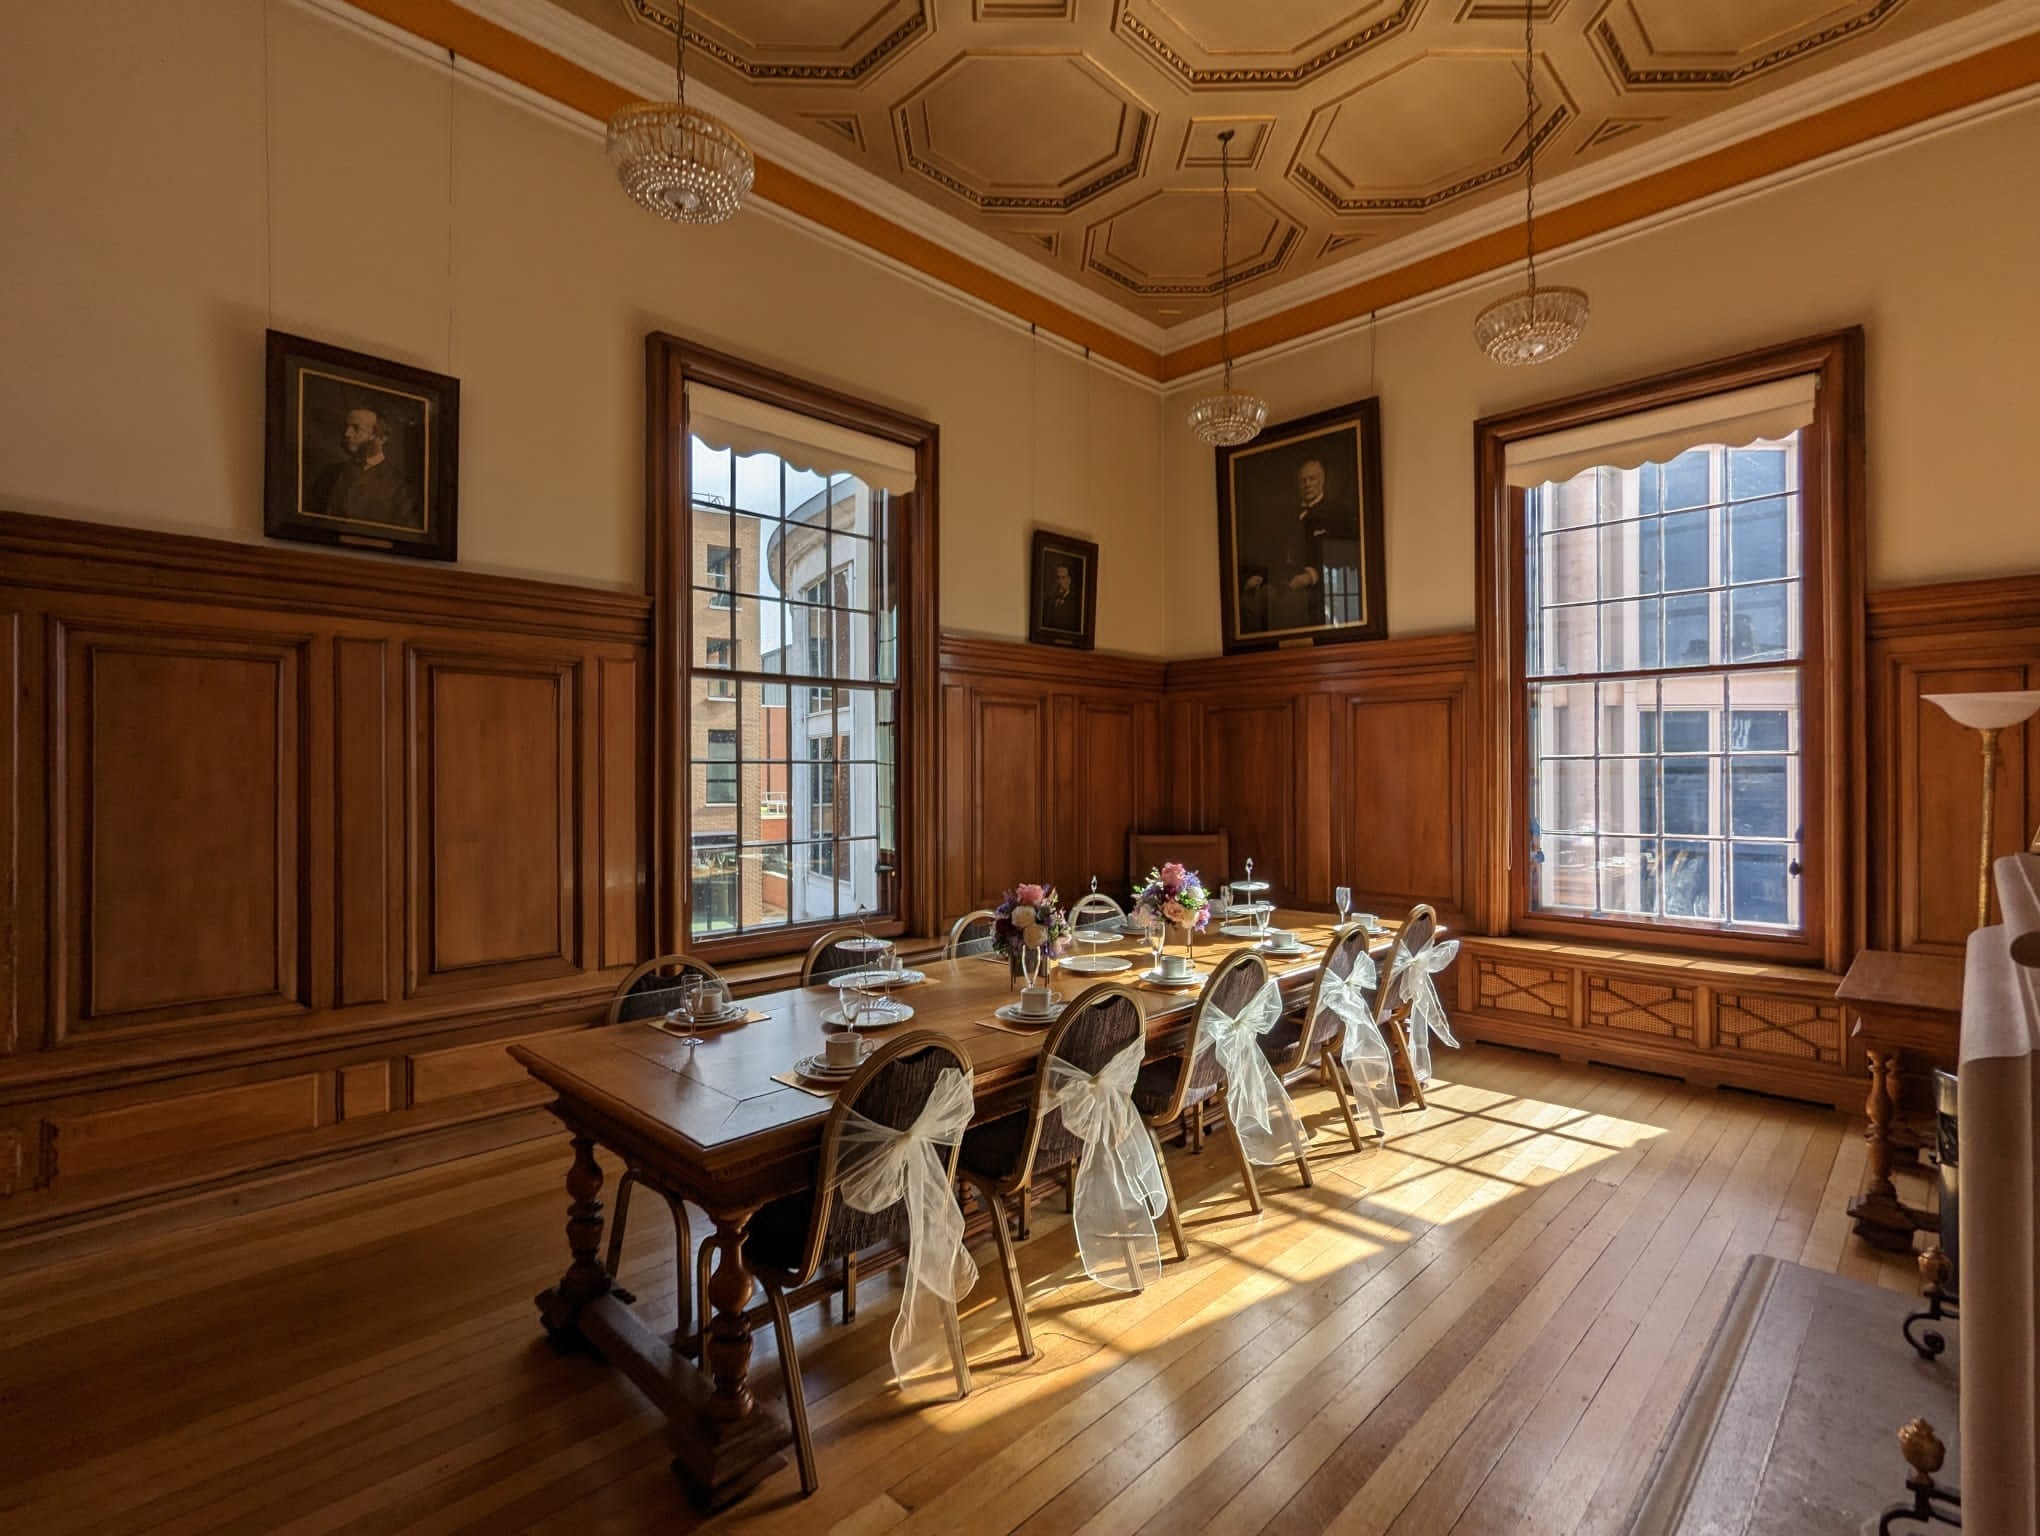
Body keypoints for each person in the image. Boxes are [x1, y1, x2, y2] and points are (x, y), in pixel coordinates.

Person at [1240, 456, 1359, 633]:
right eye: (1303, 480)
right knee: (1247, 603)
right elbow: (1272, 552)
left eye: (1312, 479)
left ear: (1322, 481)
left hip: (1318, 588)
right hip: (1280, 583)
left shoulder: (1338, 512)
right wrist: (1258, 576)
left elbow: (1347, 556)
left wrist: (1311, 575)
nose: (1307, 484)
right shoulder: (1285, 516)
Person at [308, 404, 421, 530]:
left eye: (356, 428)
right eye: (346, 427)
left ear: (381, 438)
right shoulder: (330, 474)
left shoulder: (400, 487)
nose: (347, 434)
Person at [1040, 556, 1081, 633]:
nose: (1060, 581)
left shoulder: (1077, 603)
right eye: (1058, 578)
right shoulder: (1049, 600)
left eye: (1063, 578)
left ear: (1069, 579)